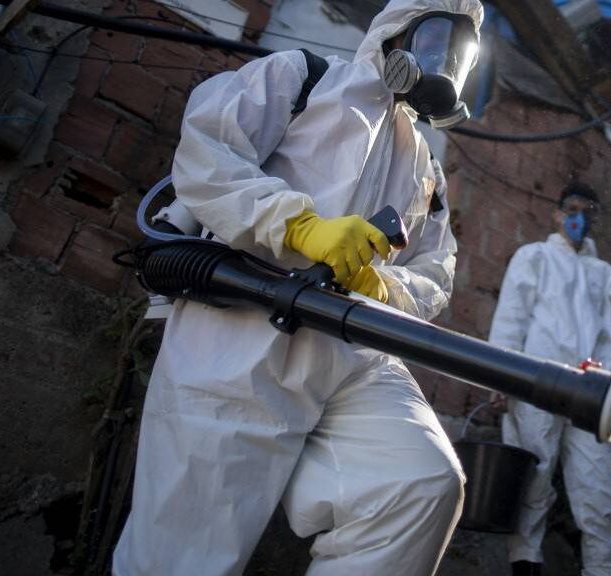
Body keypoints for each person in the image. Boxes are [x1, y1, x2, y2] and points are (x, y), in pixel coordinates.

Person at [112, 2, 483, 575]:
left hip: (351, 354)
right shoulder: (303, 79)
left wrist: (381, 286)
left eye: (458, 53)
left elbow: (436, 273)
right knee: (181, 559)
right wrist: (299, 226)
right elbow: (208, 152)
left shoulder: (425, 169)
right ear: (398, 31)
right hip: (242, 336)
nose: (444, 61)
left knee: (419, 485)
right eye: (435, 40)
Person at [488, 182, 611, 576]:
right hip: (535, 383)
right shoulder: (534, 258)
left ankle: (608, 570)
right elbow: (511, 320)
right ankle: (526, 566)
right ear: (556, 214)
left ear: (595, 221)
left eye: (588, 212)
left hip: (594, 395)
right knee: (532, 481)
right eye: (571, 209)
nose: (578, 218)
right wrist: (501, 380)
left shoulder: (609, 278)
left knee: (599, 490)